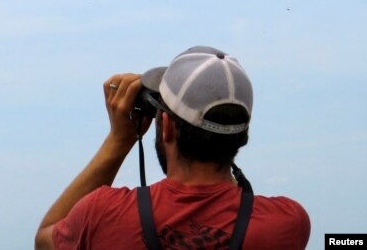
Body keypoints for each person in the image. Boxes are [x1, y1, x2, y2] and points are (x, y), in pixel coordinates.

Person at [35, 46, 310, 249]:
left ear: (166, 126)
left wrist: (119, 140)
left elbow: (45, 241)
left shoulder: (102, 214)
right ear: (242, 135)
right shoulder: (286, 223)